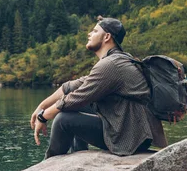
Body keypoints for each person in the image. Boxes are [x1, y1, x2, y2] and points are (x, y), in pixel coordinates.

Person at [30, 17, 167, 157]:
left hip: (131, 136)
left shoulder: (111, 65)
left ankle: (51, 167)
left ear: (107, 37)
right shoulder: (118, 59)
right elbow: (72, 86)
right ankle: (78, 157)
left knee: (62, 120)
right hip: (131, 128)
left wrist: (44, 116)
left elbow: (77, 98)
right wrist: (42, 106)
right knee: (70, 108)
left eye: (95, 31)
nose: (89, 34)